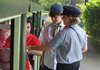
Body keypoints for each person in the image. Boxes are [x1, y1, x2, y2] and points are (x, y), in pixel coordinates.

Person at [27, 6, 88, 70]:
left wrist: (30, 47)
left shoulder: (64, 33)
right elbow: (84, 49)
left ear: (70, 18)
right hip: (75, 64)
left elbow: (48, 47)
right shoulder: (82, 31)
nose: (63, 18)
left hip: (64, 65)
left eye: (64, 16)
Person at [39, 4, 65, 70]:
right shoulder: (48, 28)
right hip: (48, 62)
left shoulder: (67, 29)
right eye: (51, 17)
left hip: (62, 63)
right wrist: (42, 59)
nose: (53, 19)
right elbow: (44, 44)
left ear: (61, 15)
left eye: (55, 17)